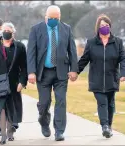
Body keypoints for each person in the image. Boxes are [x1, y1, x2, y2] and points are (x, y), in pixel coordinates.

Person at [27, 5, 78, 141]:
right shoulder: (36, 29)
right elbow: (31, 53)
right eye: (51, 18)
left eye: (56, 18)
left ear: (60, 17)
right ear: (46, 17)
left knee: (61, 101)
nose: (54, 20)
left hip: (61, 72)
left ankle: (59, 131)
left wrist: (74, 69)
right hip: (43, 73)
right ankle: (44, 121)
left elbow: (72, 50)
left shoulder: (66, 29)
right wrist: (31, 72)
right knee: (44, 103)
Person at [78, 14, 125, 138]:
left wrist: (124, 74)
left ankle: (109, 126)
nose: (104, 27)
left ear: (110, 27)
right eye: (102, 26)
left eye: (106, 25)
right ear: (98, 28)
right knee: (102, 102)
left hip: (112, 78)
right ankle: (105, 126)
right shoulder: (91, 43)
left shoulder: (117, 42)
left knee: (111, 103)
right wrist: (75, 72)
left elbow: (124, 59)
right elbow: (84, 60)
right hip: (97, 79)